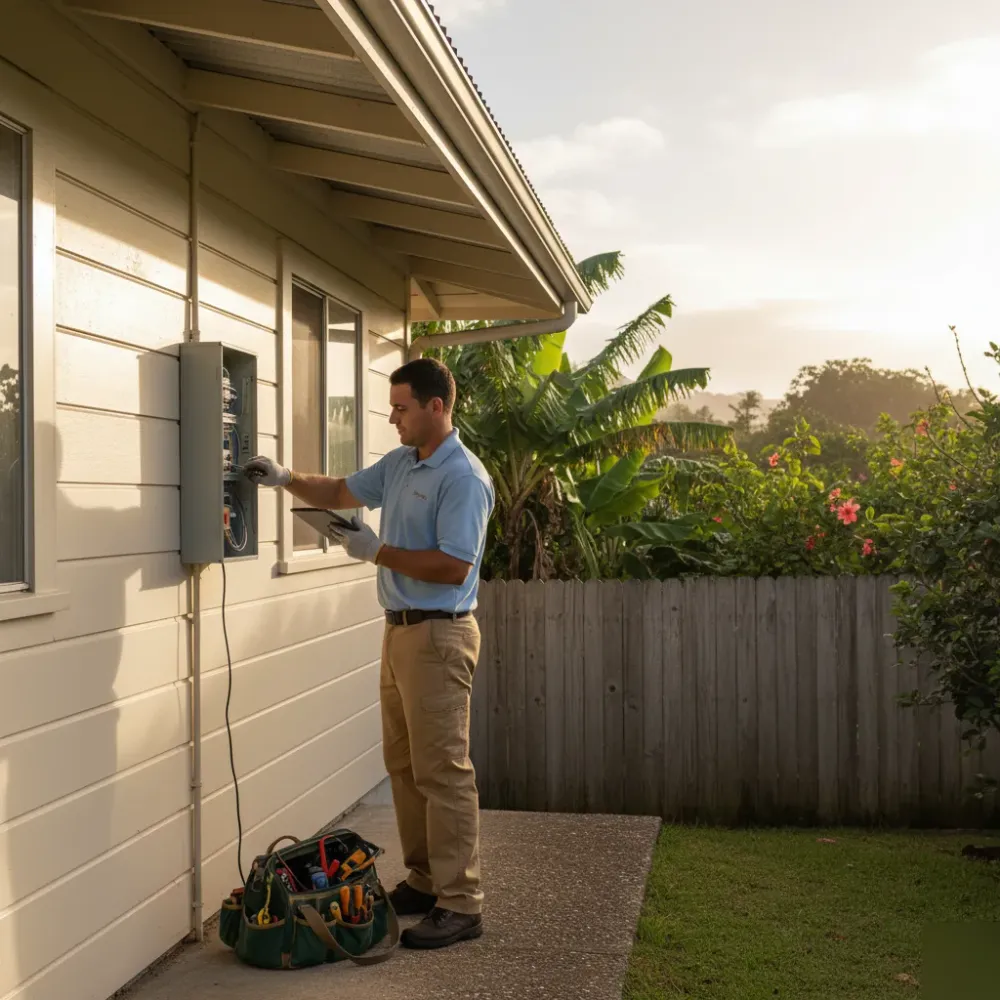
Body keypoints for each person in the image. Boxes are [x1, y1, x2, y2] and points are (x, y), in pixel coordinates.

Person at [244, 357, 494, 950]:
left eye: (401, 407)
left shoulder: (463, 477)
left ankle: (462, 902)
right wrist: (283, 477)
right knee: (404, 766)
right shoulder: (404, 462)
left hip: (439, 633)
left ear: (437, 407)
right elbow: (339, 490)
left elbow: (455, 564)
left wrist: (377, 552)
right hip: (400, 631)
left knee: (444, 772)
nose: (392, 417)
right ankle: (426, 880)